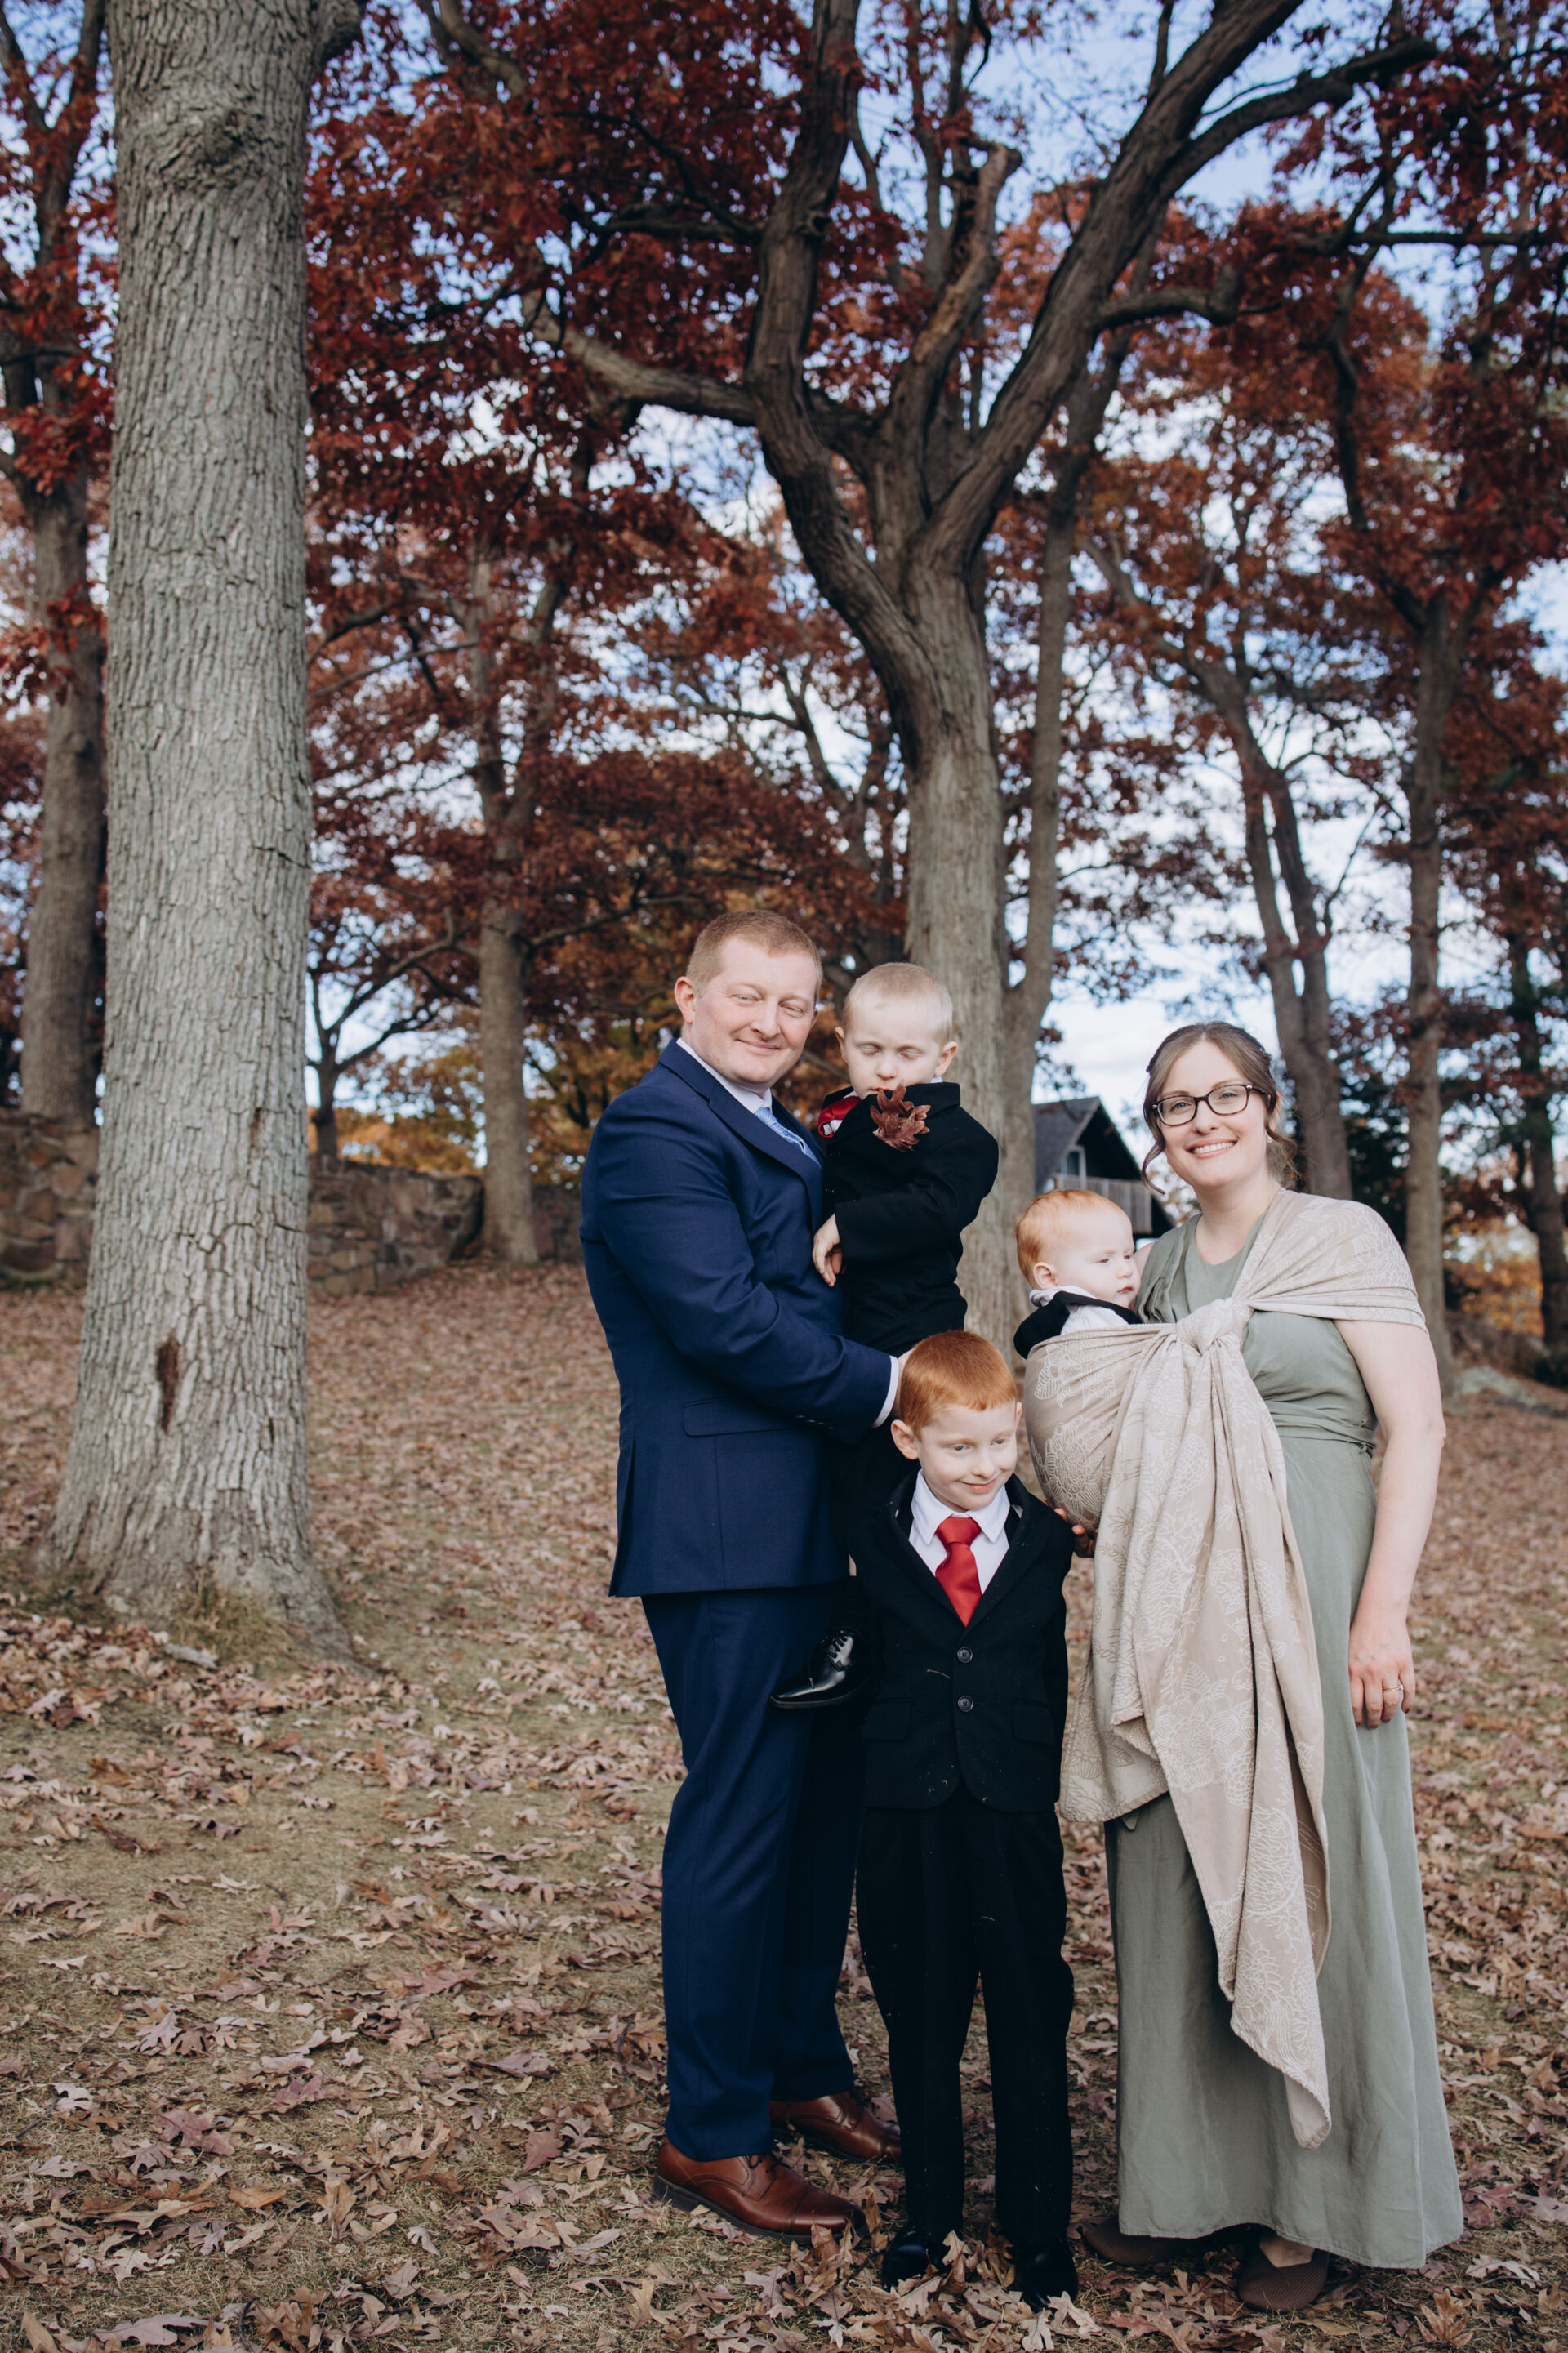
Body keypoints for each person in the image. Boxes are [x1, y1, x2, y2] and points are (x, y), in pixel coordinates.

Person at [1044, 1022, 1461, 2313]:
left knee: (1315, 1863)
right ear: (1158, 1134)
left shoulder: (1343, 1238)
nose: (1203, 1120)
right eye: (1177, 1105)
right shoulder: (1152, 1269)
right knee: (1178, 1877)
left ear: (1269, 1108)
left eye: (1224, 1095)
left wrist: (1381, 1613)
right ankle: (1183, 2184)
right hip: (1182, 1612)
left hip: (1320, 1588)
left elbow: (1416, 1426)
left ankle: (1309, 2207)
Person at [580, 910, 902, 2239]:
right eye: (746, 996)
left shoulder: (793, 1134)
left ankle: (797, 2066)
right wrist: (894, 1384)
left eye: (793, 1003)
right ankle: (711, 2132)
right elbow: (719, 1319)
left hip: (817, 1522)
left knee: (820, 1815)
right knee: (742, 1816)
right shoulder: (656, 1130)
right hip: (725, 1529)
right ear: (689, 995)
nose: (771, 1021)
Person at [850, 1330, 1079, 2309]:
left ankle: (1039, 2227)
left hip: (1012, 1811)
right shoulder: (869, 1532)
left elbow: (1049, 1670)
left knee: (1030, 2011)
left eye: (999, 1443)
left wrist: (1036, 1772)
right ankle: (930, 2212)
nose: (983, 1466)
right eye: (958, 1448)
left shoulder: (1047, 1540)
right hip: (906, 1810)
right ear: (910, 1441)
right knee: (921, 2011)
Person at [773, 962, 998, 1713]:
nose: (889, 1069)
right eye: (871, 1051)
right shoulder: (832, 1122)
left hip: (910, 1331)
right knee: (843, 1486)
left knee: (888, 1492)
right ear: (842, 1044)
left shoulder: (962, 1137)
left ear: (945, 1056)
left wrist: (850, 1224)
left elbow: (939, 1205)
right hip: (841, 1332)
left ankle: (871, 1640)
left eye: (908, 1053)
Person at [1012, 1188, 1144, 1359]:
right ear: (1049, 1277)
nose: (1127, 1270)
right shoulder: (1088, 1322)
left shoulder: (1054, 1322)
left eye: (1128, 1256)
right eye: (1104, 1260)